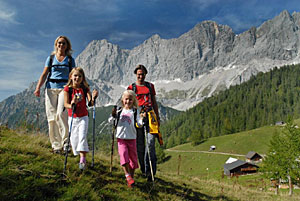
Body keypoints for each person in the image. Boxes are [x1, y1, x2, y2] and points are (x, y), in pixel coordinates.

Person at [34, 35, 75, 154]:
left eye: (63, 43)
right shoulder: (51, 58)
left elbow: (73, 75)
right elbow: (45, 73)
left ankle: (66, 143)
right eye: (59, 43)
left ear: (67, 46)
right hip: (50, 88)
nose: (61, 45)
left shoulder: (70, 59)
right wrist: (38, 88)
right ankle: (56, 145)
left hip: (64, 89)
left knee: (61, 115)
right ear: (56, 45)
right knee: (51, 117)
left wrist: (73, 89)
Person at [127, 64, 160, 181]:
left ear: (145, 74)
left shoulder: (150, 87)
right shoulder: (131, 87)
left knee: (150, 143)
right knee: (139, 145)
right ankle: (143, 170)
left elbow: (154, 102)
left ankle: (150, 171)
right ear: (136, 75)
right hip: (137, 116)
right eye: (138, 74)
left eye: (142, 74)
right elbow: (128, 104)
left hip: (150, 116)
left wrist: (157, 117)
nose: (140, 76)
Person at [64, 67, 98, 170]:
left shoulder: (85, 89)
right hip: (73, 117)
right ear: (71, 76)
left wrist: (93, 98)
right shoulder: (68, 89)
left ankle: (82, 160)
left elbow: (90, 103)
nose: (77, 78)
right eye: (75, 75)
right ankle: (78, 155)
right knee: (74, 140)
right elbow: (66, 104)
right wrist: (73, 104)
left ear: (82, 78)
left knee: (82, 136)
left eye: (79, 76)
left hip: (83, 117)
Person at [109, 90, 144, 187]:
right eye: (126, 99)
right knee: (124, 155)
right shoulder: (120, 111)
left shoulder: (135, 111)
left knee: (133, 160)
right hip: (121, 138)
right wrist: (113, 115)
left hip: (132, 138)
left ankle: (131, 179)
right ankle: (127, 175)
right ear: (122, 100)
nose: (128, 101)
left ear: (133, 100)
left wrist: (142, 119)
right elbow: (110, 120)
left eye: (130, 99)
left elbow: (139, 124)